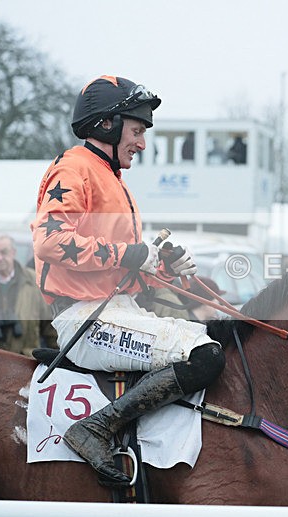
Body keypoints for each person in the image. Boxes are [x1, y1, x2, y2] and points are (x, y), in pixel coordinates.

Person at [30, 75, 225, 487]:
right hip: (85, 319)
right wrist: (130, 253)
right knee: (206, 356)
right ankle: (95, 429)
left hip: (115, 311)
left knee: (217, 336)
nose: (141, 143)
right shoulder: (74, 167)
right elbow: (49, 241)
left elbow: (121, 268)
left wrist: (166, 267)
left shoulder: (112, 178)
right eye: (137, 131)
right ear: (107, 125)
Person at [0, 234, 57, 354]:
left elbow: (51, 328)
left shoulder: (35, 282)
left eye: (4, 252)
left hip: (25, 364)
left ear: (13, 252)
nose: (0, 257)